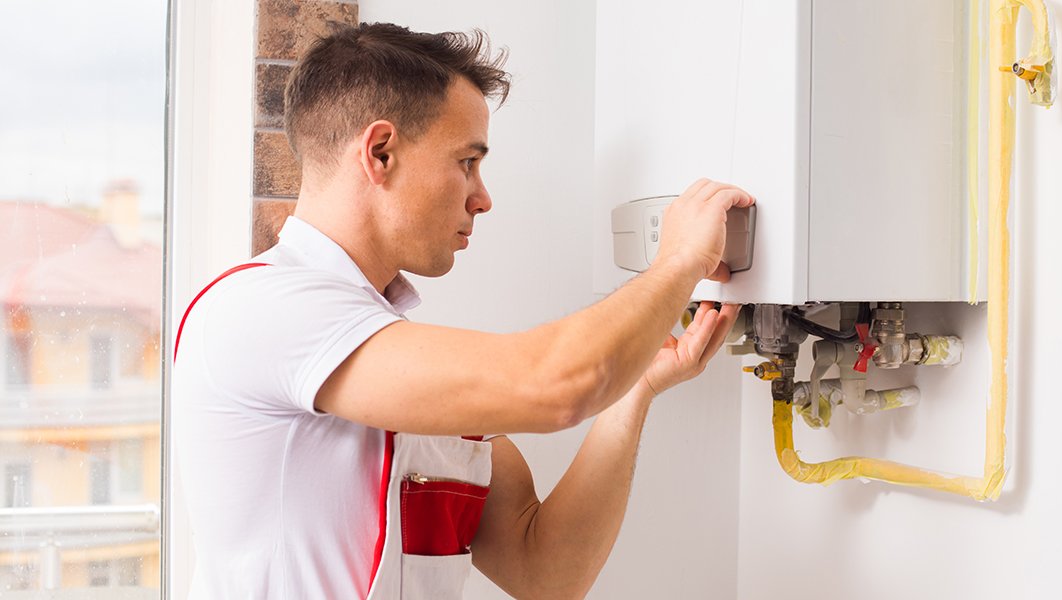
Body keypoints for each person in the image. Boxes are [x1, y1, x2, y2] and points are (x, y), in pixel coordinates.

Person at [172, 22, 754, 599]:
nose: (483, 196)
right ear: (380, 153)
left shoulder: (392, 361)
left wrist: (635, 389)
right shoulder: (260, 310)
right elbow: (555, 384)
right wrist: (679, 259)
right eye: (467, 162)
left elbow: (546, 572)